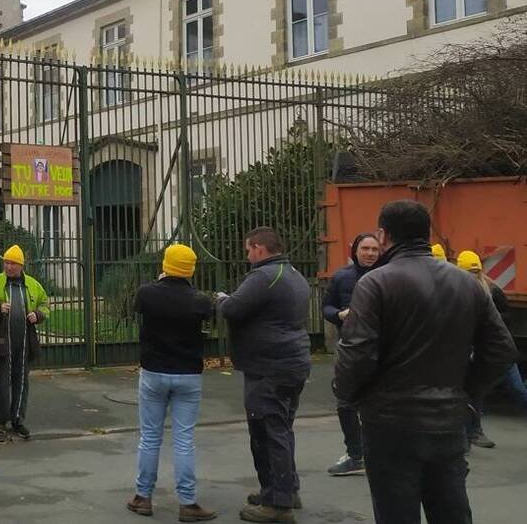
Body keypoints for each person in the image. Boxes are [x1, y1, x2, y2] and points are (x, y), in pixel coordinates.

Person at [335, 201, 517, 524]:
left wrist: (350, 395)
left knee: (397, 514)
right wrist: (466, 392)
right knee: (451, 511)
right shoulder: (467, 283)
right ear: (424, 234)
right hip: (448, 420)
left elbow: (357, 356)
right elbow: (501, 349)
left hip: (390, 423)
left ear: (384, 235)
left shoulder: (375, 283)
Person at [214, 227, 311, 524]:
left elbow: (234, 308)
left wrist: (221, 299)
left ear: (258, 248)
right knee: (282, 428)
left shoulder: (263, 276)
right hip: (292, 360)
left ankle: (277, 504)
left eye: (247, 250)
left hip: (269, 366)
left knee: (267, 432)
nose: (247, 256)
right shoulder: (293, 273)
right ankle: (284, 489)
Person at [126, 244, 218, 522]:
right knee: (184, 439)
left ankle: (143, 497)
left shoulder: (147, 293)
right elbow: (209, 324)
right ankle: (188, 502)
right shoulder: (200, 300)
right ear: (190, 269)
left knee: (150, 437)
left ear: (166, 264)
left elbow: (136, 310)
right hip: (188, 374)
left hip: (153, 371)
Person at [321, 232, 380, 476]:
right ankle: (356, 455)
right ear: (355, 250)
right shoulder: (342, 277)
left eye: (374, 249)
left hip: (382, 349)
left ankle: (380, 454)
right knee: (345, 403)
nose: (370, 253)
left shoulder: (387, 274)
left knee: (379, 404)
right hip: (350, 349)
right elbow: (326, 307)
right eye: (365, 248)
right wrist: (339, 315)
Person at [457, 250, 527, 450]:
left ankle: (470, 435)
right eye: (469, 272)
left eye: (475, 271)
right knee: (473, 394)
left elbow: (503, 325)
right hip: (475, 353)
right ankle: (471, 435)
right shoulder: (457, 292)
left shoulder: (492, 292)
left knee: (517, 390)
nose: (473, 276)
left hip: (496, 353)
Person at [0, 245, 49, 440]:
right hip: (2, 343)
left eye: (12, 263)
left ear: (20, 266)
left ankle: (18, 420)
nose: (8, 267)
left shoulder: (33, 285)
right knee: (1, 382)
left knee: (21, 381)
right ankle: (1, 421)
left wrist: (38, 314)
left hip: (25, 343)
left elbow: (45, 303)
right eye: (6, 262)